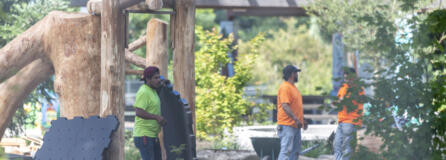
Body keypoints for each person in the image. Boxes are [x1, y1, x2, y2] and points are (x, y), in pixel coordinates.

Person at [133, 66, 167, 160]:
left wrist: (163, 83)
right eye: (156, 78)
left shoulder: (152, 90)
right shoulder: (144, 92)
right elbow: (138, 112)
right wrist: (156, 117)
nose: (158, 80)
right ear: (148, 79)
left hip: (152, 135)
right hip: (144, 136)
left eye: (159, 77)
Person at [277, 65, 308, 160]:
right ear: (291, 74)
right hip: (287, 125)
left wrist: (303, 120)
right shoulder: (285, 87)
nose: (297, 75)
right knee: (286, 151)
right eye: (296, 73)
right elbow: (285, 106)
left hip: (296, 125)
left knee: (295, 153)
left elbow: (296, 107)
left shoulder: (293, 88)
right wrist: (295, 119)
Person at [333, 67, 364, 160]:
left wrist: (338, 101)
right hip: (341, 120)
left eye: (349, 78)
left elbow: (343, 101)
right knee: (336, 145)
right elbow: (338, 100)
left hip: (350, 121)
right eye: (346, 78)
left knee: (347, 148)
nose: (347, 80)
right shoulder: (344, 87)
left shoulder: (357, 88)